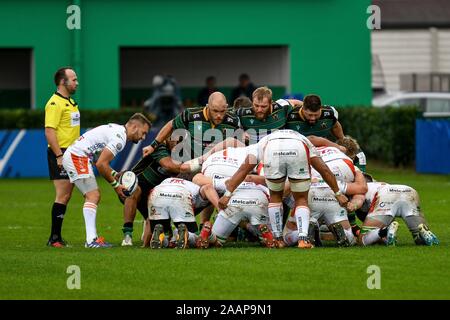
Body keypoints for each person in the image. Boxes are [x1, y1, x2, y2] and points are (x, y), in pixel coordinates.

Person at [218, 129, 348, 249]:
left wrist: (227, 195)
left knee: (275, 197)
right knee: (301, 199)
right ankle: (303, 240)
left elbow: (243, 170)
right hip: (297, 149)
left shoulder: (258, 145)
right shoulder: (304, 140)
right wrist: (337, 193)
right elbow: (323, 169)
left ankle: (278, 239)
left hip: (272, 150)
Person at [62, 113, 151, 248]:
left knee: (92, 195)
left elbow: (100, 162)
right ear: (134, 127)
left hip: (78, 156)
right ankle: (91, 240)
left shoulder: (117, 130)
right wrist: (116, 186)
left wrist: (114, 174)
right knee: (93, 195)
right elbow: (101, 164)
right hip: (78, 156)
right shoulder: (120, 138)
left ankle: (92, 239)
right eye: (143, 133)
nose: (143, 137)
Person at [119, 136, 199, 247]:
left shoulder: (183, 154)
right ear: (167, 138)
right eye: (174, 139)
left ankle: (156, 230)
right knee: (135, 191)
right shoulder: (159, 148)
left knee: (155, 239)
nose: (177, 142)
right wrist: (195, 165)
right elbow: (169, 166)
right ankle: (127, 235)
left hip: (156, 195)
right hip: (137, 188)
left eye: (180, 140)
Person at [142, 92, 241, 160]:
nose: (219, 115)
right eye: (215, 111)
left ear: (226, 107)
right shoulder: (191, 115)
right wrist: (153, 146)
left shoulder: (233, 120)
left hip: (217, 166)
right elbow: (171, 125)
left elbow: (239, 145)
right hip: (191, 164)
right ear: (207, 106)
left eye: (222, 111)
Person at [44, 66, 80, 247]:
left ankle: (56, 237)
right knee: (62, 195)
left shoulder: (70, 102)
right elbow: (49, 131)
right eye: (73, 79)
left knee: (67, 195)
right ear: (62, 82)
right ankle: (54, 238)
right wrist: (59, 156)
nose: (77, 83)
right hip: (62, 153)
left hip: (72, 153)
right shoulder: (54, 103)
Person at [353, 180, 439, 247]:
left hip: (386, 195)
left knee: (362, 239)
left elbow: (359, 212)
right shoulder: (375, 184)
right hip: (408, 190)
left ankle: (385, 231)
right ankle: (423, 233)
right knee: (418, 238)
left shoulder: (355, 189)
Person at [144, 177, 212, 249]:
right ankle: (186, 234)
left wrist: (145, 244)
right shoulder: (195, 187)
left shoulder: (166, 180)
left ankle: (162, 237)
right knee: (194, 236)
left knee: (164, 231)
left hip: (157, 193)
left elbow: (148, 220)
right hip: (180, 195)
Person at [236, 86, 302, 143]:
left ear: (271, 103)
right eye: (256, 105)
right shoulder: (242, 113)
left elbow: (296, 103)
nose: (259, 110)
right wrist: (240, 133)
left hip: (277, 149)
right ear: (252, 102)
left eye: (263, 106)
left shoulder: (282, 107)